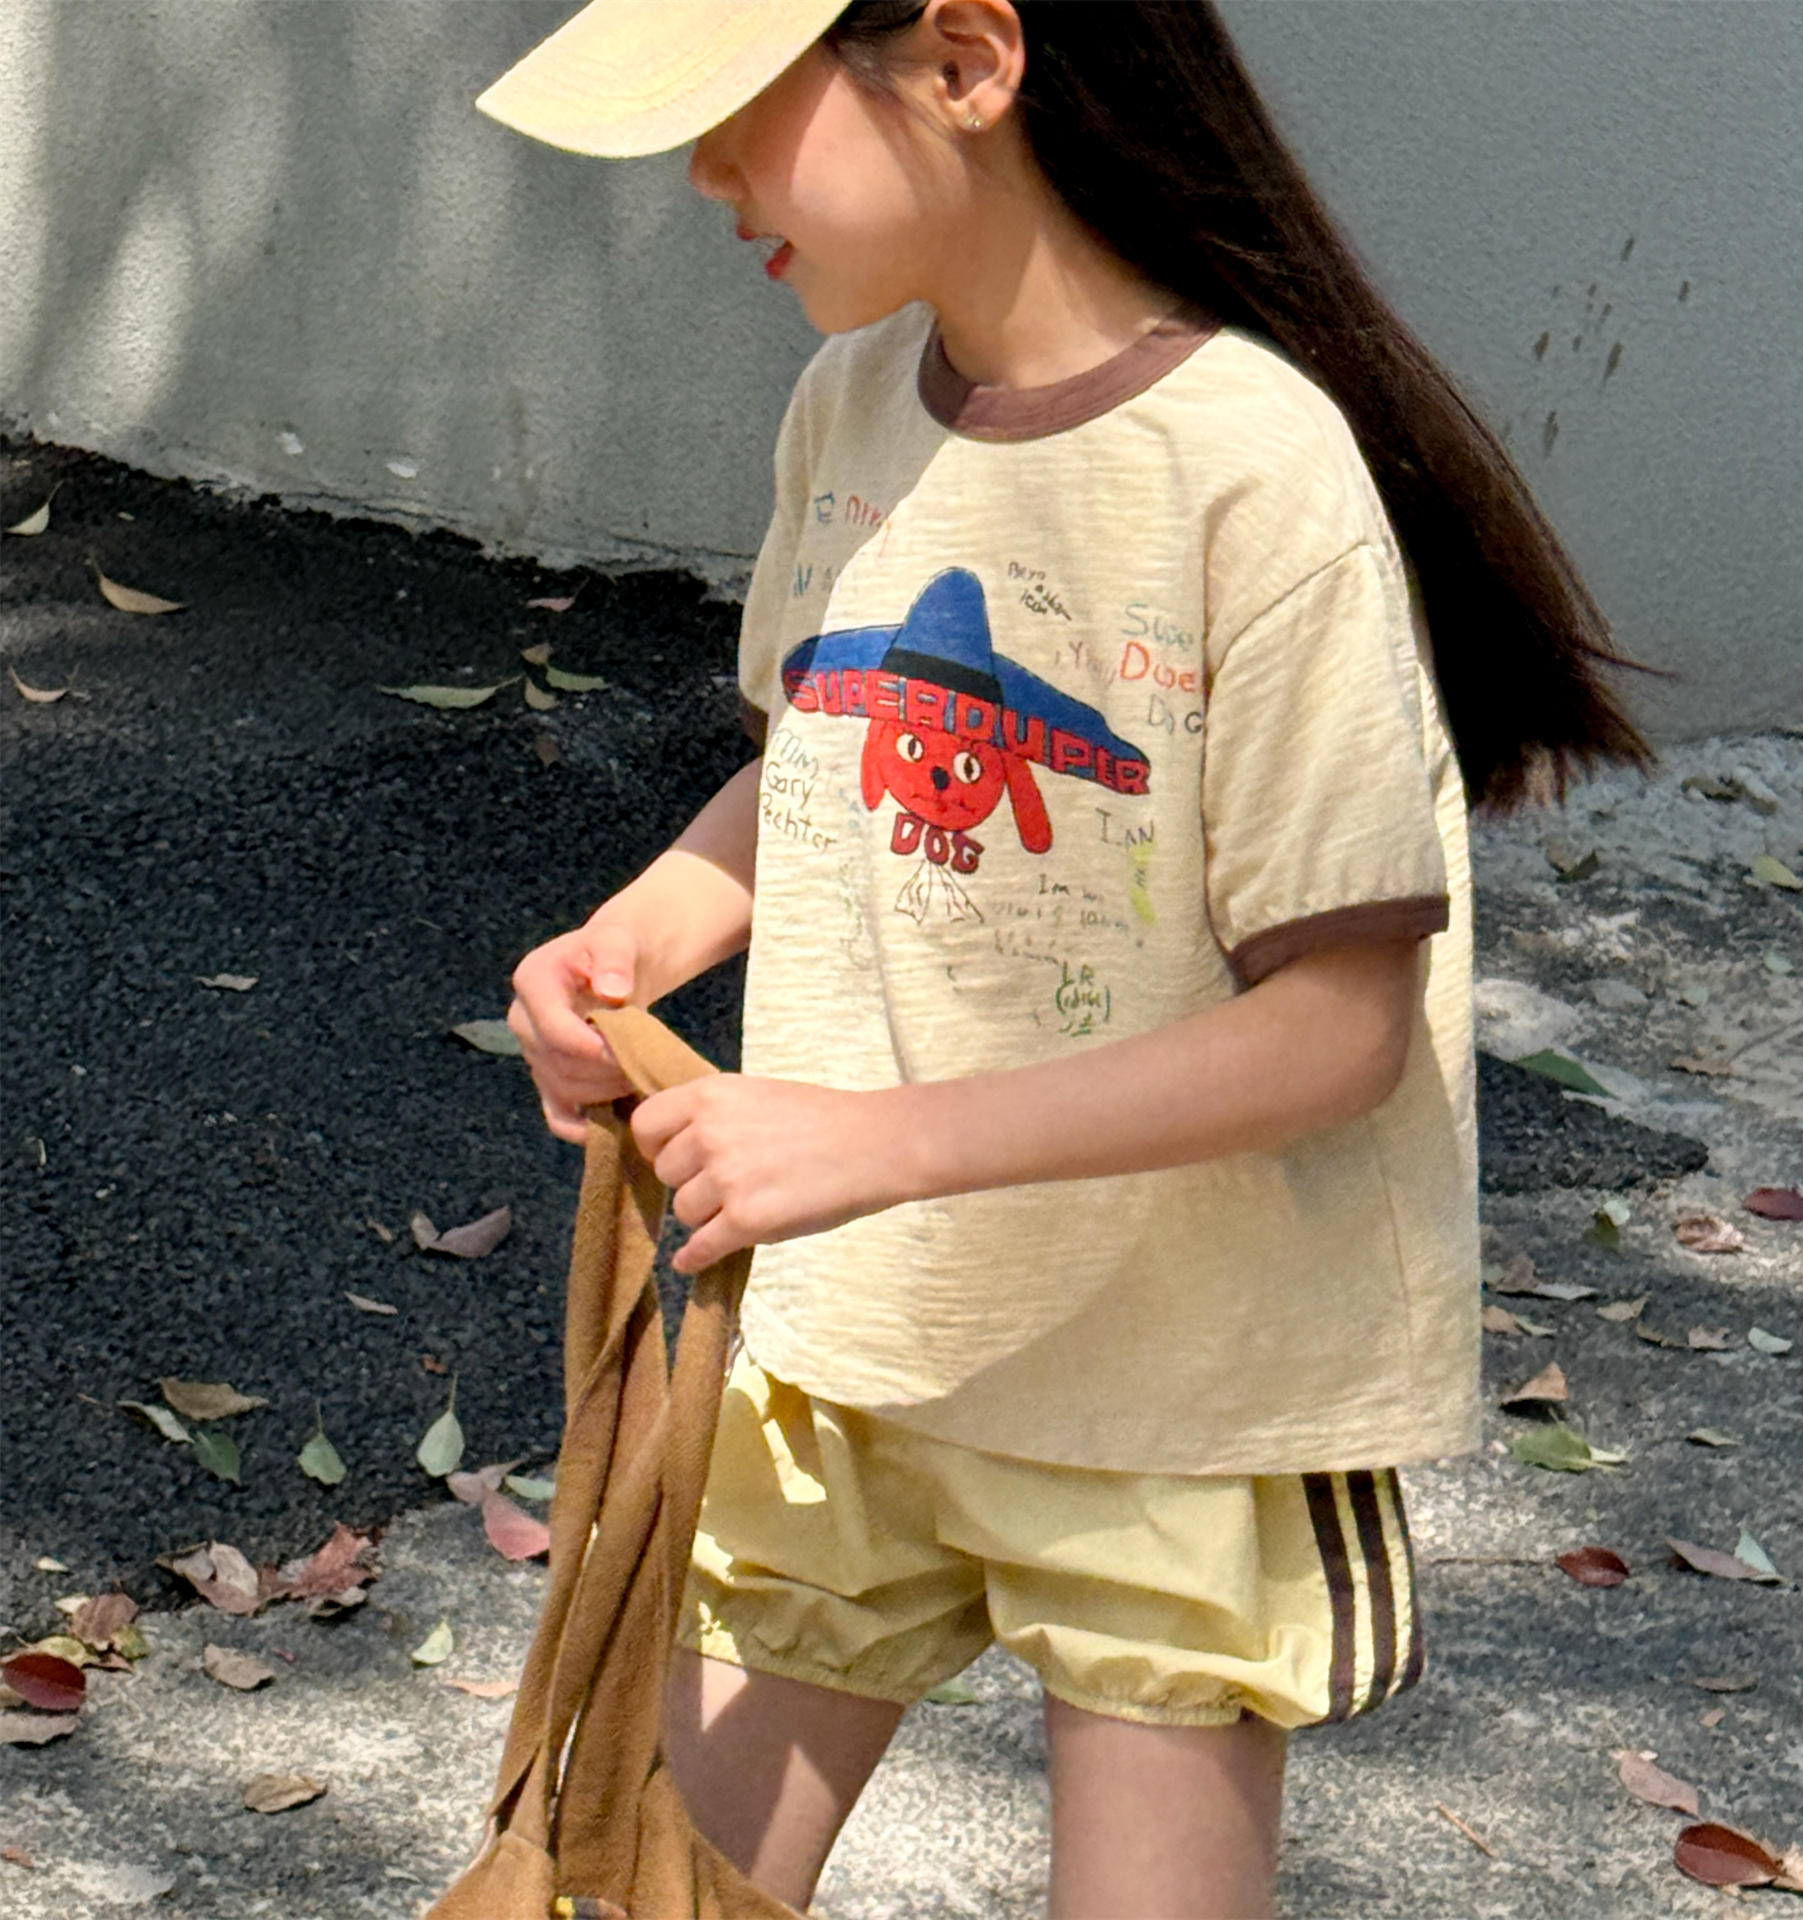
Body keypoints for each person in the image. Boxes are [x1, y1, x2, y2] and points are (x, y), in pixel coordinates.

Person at [484, 2, 1649, 1913]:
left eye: (739, 108)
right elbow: (830, 751)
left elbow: (1338, 1032)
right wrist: (634, 936)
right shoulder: (848, 408)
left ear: (966, 62)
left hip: (1175, 1398)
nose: (702, 172)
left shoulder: (1253, 467)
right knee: (626, 1892)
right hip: (850, 1360)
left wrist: (873, 1143)